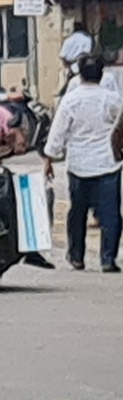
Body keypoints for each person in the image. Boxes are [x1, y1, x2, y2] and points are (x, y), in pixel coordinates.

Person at [52, 56, 123, 273]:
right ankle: (108, 259)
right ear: (101, 74)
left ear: (80, 74)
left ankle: (77, 257)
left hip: (78, 165)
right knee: (110, 213)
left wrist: (50, 157)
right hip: (107, 163)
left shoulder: (70, 100)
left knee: (78, 212)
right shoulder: (112, 99)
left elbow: (58, 132)